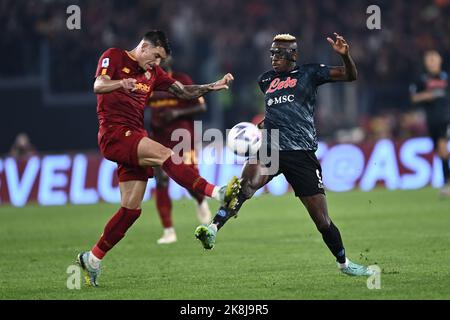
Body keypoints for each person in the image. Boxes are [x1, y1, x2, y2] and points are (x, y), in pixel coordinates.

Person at [195, 33, 374, 276]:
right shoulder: (265, 80)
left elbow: (350, 75)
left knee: (322, 220)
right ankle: (213, 228)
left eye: (279, 53)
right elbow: (277, 108)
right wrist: (263, 125)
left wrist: (345, 56)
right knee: (245, 187)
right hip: (272, 147)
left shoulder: (310, 73)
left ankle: (344, 263)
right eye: (271, 53)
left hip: (301, 153)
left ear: (293, 55)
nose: (273, 57)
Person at [76, 30, 240, 287]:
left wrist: (211, 87)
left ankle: (92, 259)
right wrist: (121, 83)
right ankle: (217, 193)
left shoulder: (153, 73)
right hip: (114, 133)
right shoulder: (114, 57)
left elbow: (183, 92)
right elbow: (98, 85)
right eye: (155, 56)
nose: (157, 63)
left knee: (131, 210)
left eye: (161, 59)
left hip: (135, 134)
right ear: (143, 46)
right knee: (166, 154)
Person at [148, 56, 211, 244]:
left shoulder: (183, 80)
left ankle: (200, 201)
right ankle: (168, 230)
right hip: (159, 138)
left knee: (188, 179)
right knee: (161, 179)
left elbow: (202, 107)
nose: (158, 60)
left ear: (170, 58)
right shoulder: (148, 81)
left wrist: (177, 113)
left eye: (161, 56)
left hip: (183, 138)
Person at [410, 50, 450, 197]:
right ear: (426, 62)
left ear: (440, 61)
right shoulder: (421, 79)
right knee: (440, 152)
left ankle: (447, 183)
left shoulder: (446, 77)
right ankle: (447, 181)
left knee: (443, 147)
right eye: (429, 59)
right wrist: (427, 95)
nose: (432, 62)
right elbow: (413, 98)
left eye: (434, 59)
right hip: (432, 120)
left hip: (446, 118)